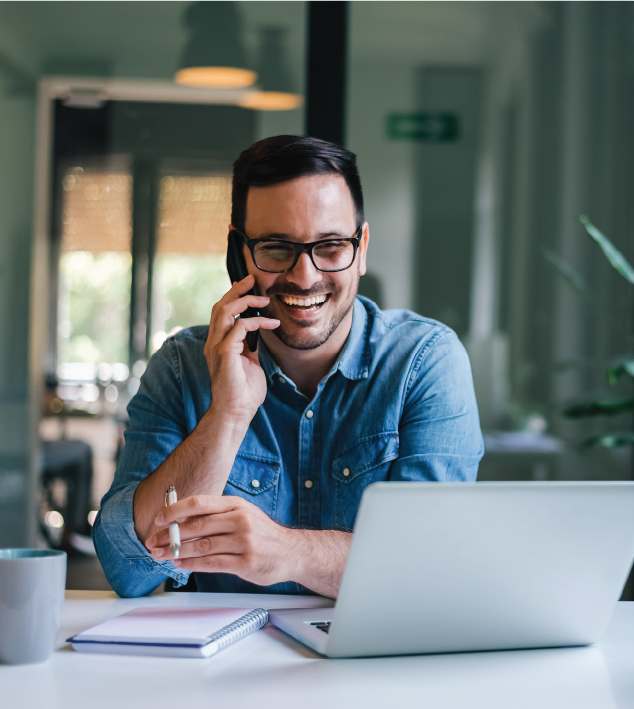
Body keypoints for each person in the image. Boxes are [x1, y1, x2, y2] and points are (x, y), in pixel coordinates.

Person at [93, 135, 483, 599]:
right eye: (277, 248)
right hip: (222, 667)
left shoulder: (425, 362)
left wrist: (288, 552)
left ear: (361, 249)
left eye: (331, 246)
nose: (304, 276)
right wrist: (227, 416)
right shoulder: (181, 366)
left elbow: (432, 566)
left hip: (373, 665)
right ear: (240, 253)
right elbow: (127, 570)